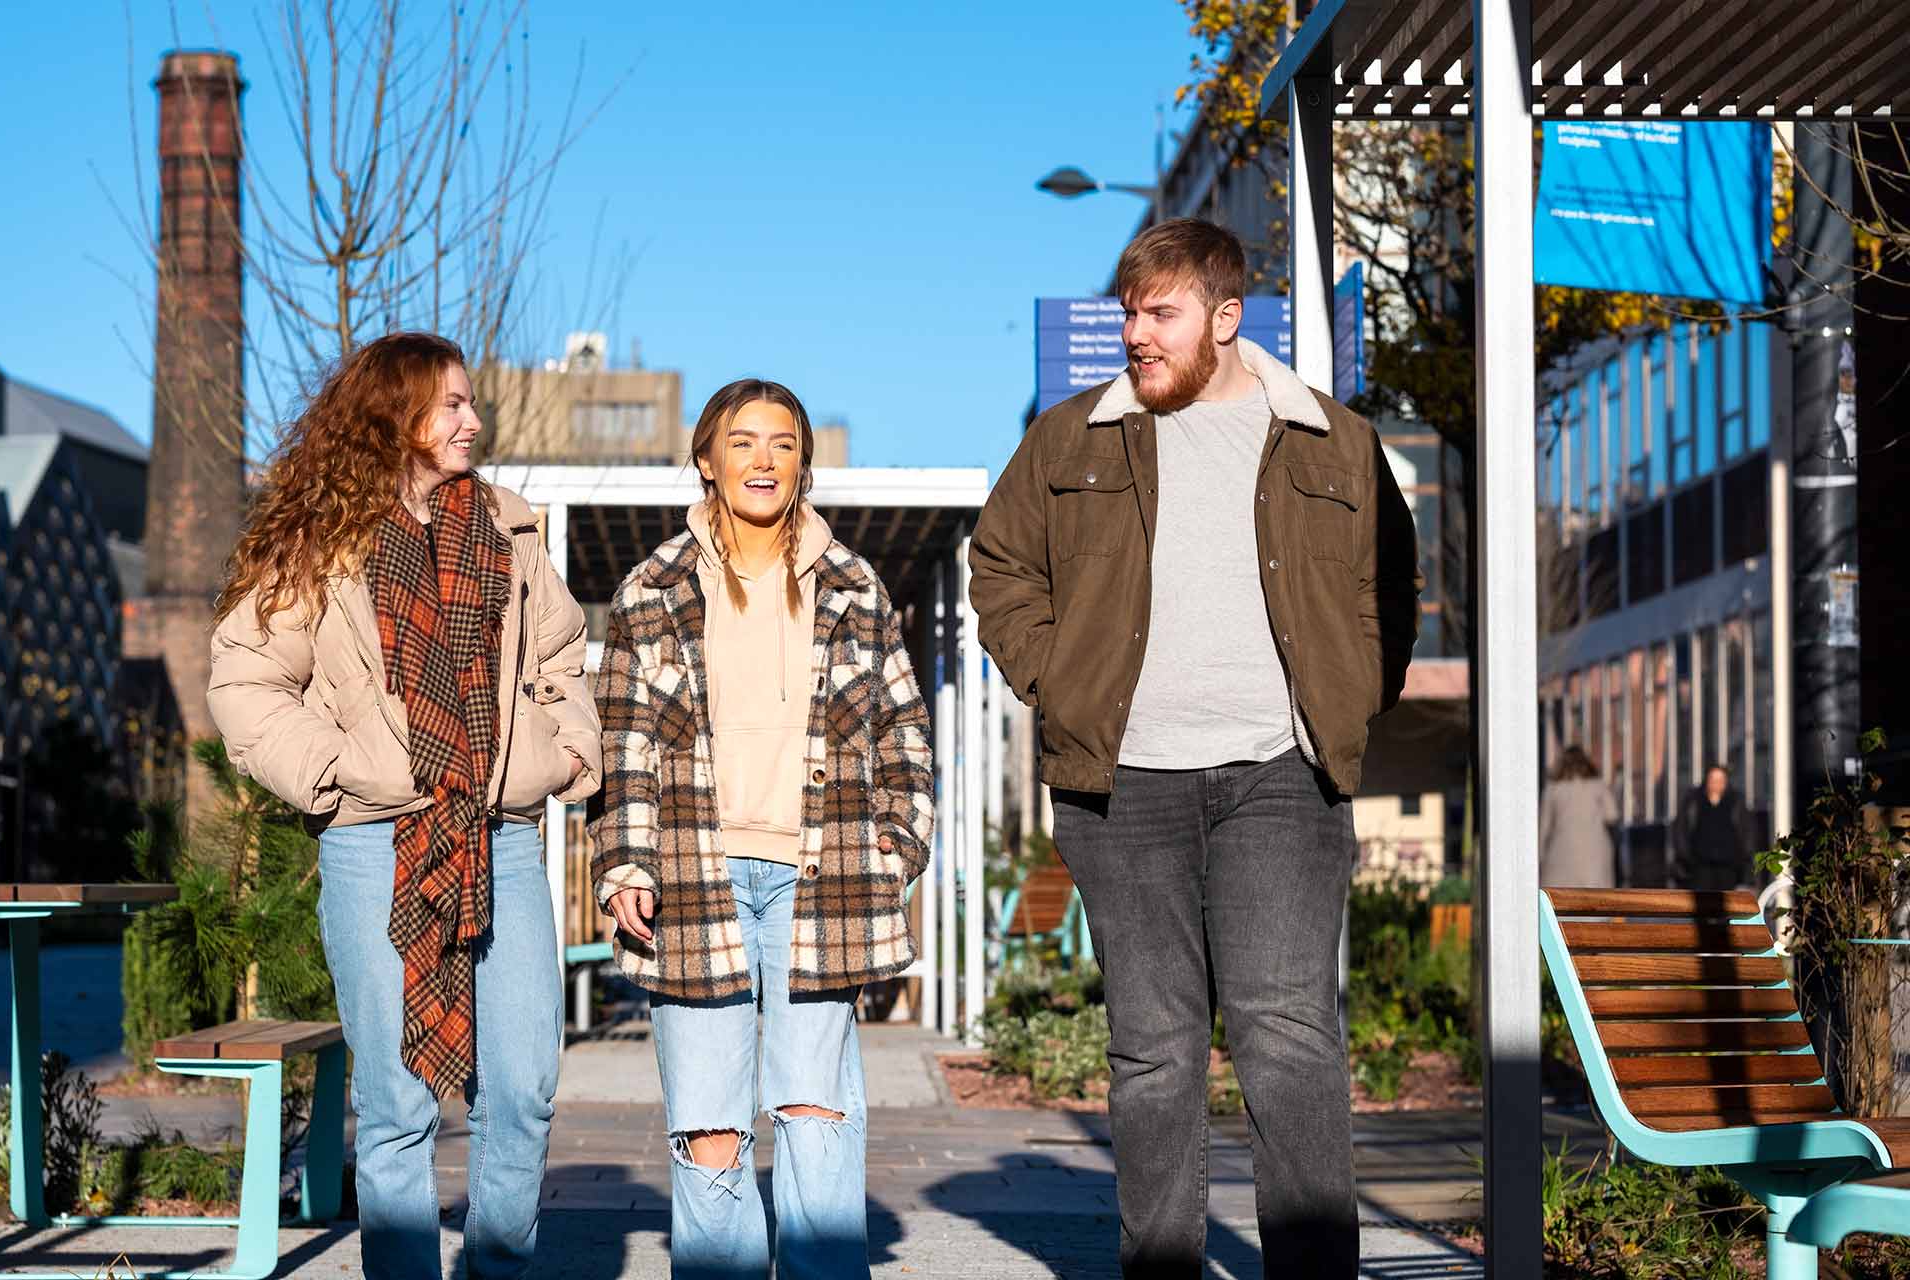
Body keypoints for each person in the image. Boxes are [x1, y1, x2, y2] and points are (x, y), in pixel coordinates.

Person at [969, 218, 1421, 1277]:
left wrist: (1349, 697)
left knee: (1290, 1034)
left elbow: (1387, 589)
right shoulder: (1069, 437)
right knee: (1155, 1053)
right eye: (1129, 310)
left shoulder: (1331, 438)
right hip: (1123, 785)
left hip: (1280, 774)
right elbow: (1000, 566)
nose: (1136, 332)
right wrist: (1057, 679)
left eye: (1159, 312)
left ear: (1226, 317)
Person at [207, 331, 601, 1280]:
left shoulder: (507, 529)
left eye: (470, 403)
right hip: (373, 844)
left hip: (499, 836)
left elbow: (562, 659)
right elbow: (246, 682)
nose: (474, 419)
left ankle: (495, 1268)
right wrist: (341, 771)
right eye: (452, 405)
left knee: (525, 1088)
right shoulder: (317, 540)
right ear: (396, 418)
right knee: (397, 1103)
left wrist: (559, 755)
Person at [589, 378, 933, 1279]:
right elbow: (623, 743)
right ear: (707, 459)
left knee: (816, 1109)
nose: (763, 460)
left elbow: (905, 734)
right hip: (694, 879)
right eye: (742, 442)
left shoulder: (855, 586)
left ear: (802, 463)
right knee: (709, 1126)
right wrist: (624, 863)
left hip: (824, 880)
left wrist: (897, 850)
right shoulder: (651, 590)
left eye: (782, 443)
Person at [1538, 745, 1619, 887]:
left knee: (1560, 901)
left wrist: (1538, 858)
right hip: (1595, 855)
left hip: (1561, 855)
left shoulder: (1552, 789)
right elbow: (1612, 815)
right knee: (1596, 901)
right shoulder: (1598, 786)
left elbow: (1543, 828)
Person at [1672, 763, 1753, 891]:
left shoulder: (1735, 801)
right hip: (1699, 865)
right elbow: (1681, 829)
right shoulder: (1694, 800)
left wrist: (1744, 859)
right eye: (1713, 780)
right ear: (1707, 780)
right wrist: (1685, 857)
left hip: (1728, 866)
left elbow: (1746, 831)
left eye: (1720, 780)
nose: (1716, 784)